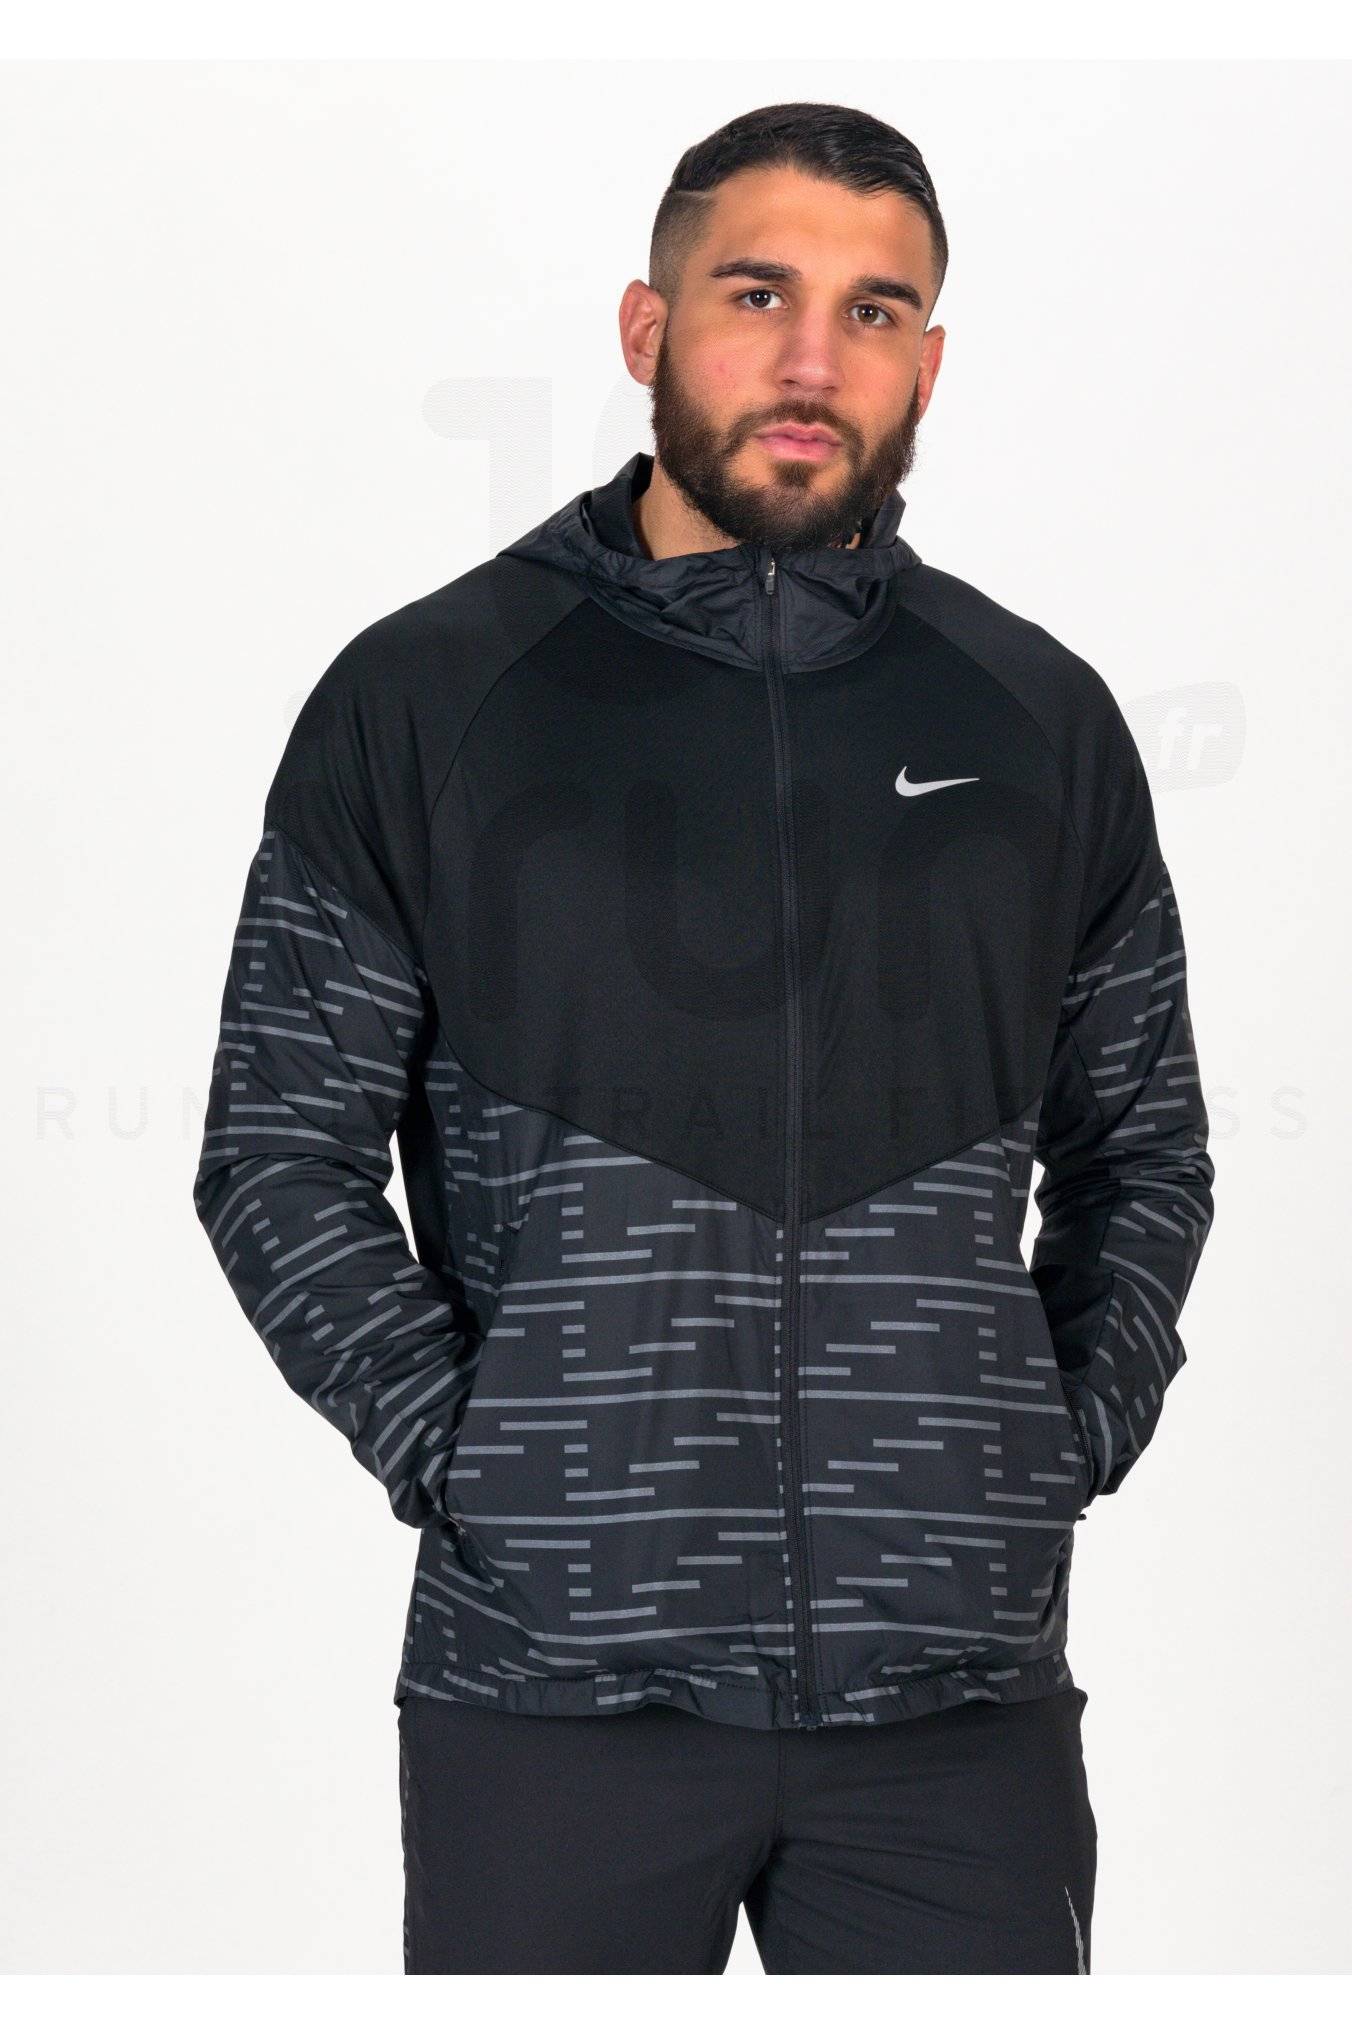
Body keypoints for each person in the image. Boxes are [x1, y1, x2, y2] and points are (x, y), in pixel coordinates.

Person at [192, 100, 1215, 1974]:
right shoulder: (430, 695)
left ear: (929, 363)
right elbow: (277, 1152)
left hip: (957, 1715)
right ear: (647, 327)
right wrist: (474, 1459)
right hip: (547, 1699)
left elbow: (1142, 1145)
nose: (814, 360)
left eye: (874, 310)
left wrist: (1051, 1442)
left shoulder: (1038, 717)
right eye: (759, 295)